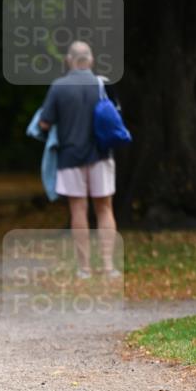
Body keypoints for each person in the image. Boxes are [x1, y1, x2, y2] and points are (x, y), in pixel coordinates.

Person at [39, 41, 120, 278]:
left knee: (78, 210)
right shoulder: (104, 84)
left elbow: (44, 123)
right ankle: (108, 266)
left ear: (69, 60)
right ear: (91, 60)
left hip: (70, 156)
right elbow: (115, 117)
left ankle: (84, 268)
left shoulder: (59, 86)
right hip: (101, 155)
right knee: (104, 208)